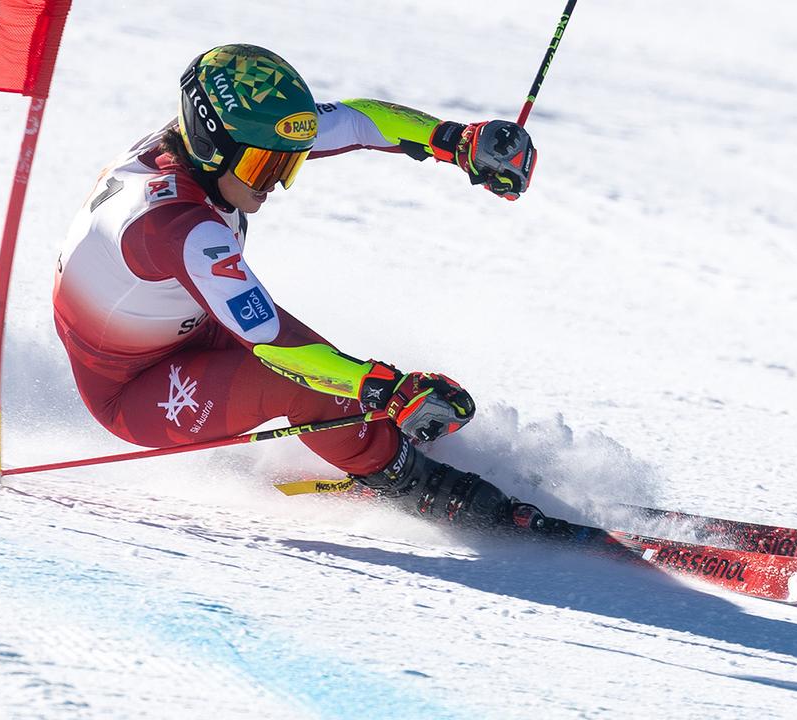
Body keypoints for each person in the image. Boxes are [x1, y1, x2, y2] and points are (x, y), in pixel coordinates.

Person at [54, 44, 540, 529]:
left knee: (330, 369)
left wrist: (454, 140)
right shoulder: (177, 225)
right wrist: (386, 387)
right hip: (134, 388)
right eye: (262, 169)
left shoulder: (221, 149)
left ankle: (369, 438)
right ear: (210, 146)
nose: (271, 186)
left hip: (186, 325)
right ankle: (415, 484)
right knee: (308, 383)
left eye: (286, 167)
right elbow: (270, 340)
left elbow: (353, 122)